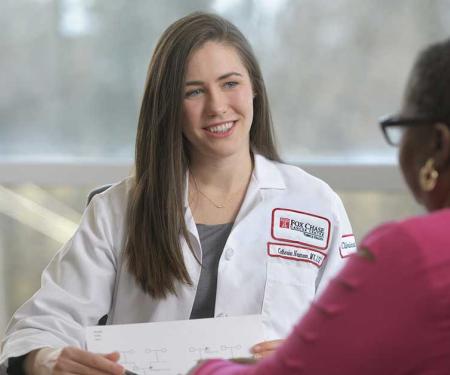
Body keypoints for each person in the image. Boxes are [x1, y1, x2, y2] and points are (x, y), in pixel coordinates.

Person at [0, 12, 355, 375]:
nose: (217, 106)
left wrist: (315, 354)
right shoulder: (117, 210)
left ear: (255, 89)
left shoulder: (315, 204)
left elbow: (359, 335)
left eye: (230, 83)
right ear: (169, 105)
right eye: (194, 91)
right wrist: (47, 361)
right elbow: (39, 325)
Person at [190, 38, 450, 375]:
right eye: (194, 91)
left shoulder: (410, 251)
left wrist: (205, 367)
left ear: (439, 144)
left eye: (400, 128)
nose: (217, 106)